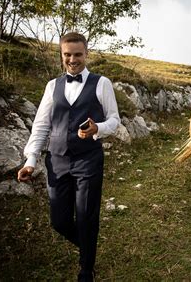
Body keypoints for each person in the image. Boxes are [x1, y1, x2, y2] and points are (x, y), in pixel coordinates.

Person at [17, 32, 120, 282]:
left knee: (86, 215)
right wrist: (31, 161)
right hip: (57, 160)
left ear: (86, 54)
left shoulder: (102, 83)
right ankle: (88, 246)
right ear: (62, 55)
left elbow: (114, 120)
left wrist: (99, 129)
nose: (72, 59)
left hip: (88, 161)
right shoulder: (52, 86)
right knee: (60, 221)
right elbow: (41, 126)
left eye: (77, 54)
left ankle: (87, 269)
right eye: (67, 55)